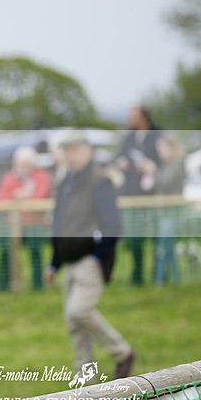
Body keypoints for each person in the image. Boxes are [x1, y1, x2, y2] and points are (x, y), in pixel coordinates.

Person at [46, 132, 135, 379]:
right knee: (74, 324)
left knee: (79, 311)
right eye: (67, 151)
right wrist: (54, 263)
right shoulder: (66, 182)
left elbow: (112, 225)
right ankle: (86, 377)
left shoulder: (99, 182)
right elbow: (60, 223)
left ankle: (122, 352)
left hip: (90, 260)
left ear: (88, 150)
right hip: (70, 260)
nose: (71, 156)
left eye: (75, 150)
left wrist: (98, 257)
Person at [115, 105, 162, 285]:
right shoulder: (128, 138)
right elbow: (118, 157)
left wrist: (151, 167)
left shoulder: (157, 136)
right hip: (131, 195)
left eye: (133, 115)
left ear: (144, 117)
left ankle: (159, 275)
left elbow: (167, 159)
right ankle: (138, 275)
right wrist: (122, 163)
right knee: (134, 239)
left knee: (157, 238)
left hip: (153, 195)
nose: (129, 119)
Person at [0, 145, 52, 290]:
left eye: (27, 163)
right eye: (21, 163)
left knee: (35, 251)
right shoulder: (9, 177)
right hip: (12, 224)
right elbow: (2, 199)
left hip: (34, 223)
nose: (24, 166)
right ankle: (2, 286)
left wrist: (18, 196)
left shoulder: (41, 175)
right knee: (6, 252)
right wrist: (24, 194)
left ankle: (38, 285)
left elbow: (40, 196)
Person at [140, 134, 186, 284]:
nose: (159, 151)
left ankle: (158, 280)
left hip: (171, 211)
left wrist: (153, 171)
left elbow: (165, 182)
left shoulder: (177, 165)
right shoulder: (166, 165)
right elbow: (153, 186)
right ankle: (175, 279)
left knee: (162, 247)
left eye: (161, 148)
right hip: (162, 211)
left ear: (171, 148)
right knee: (168, 247)